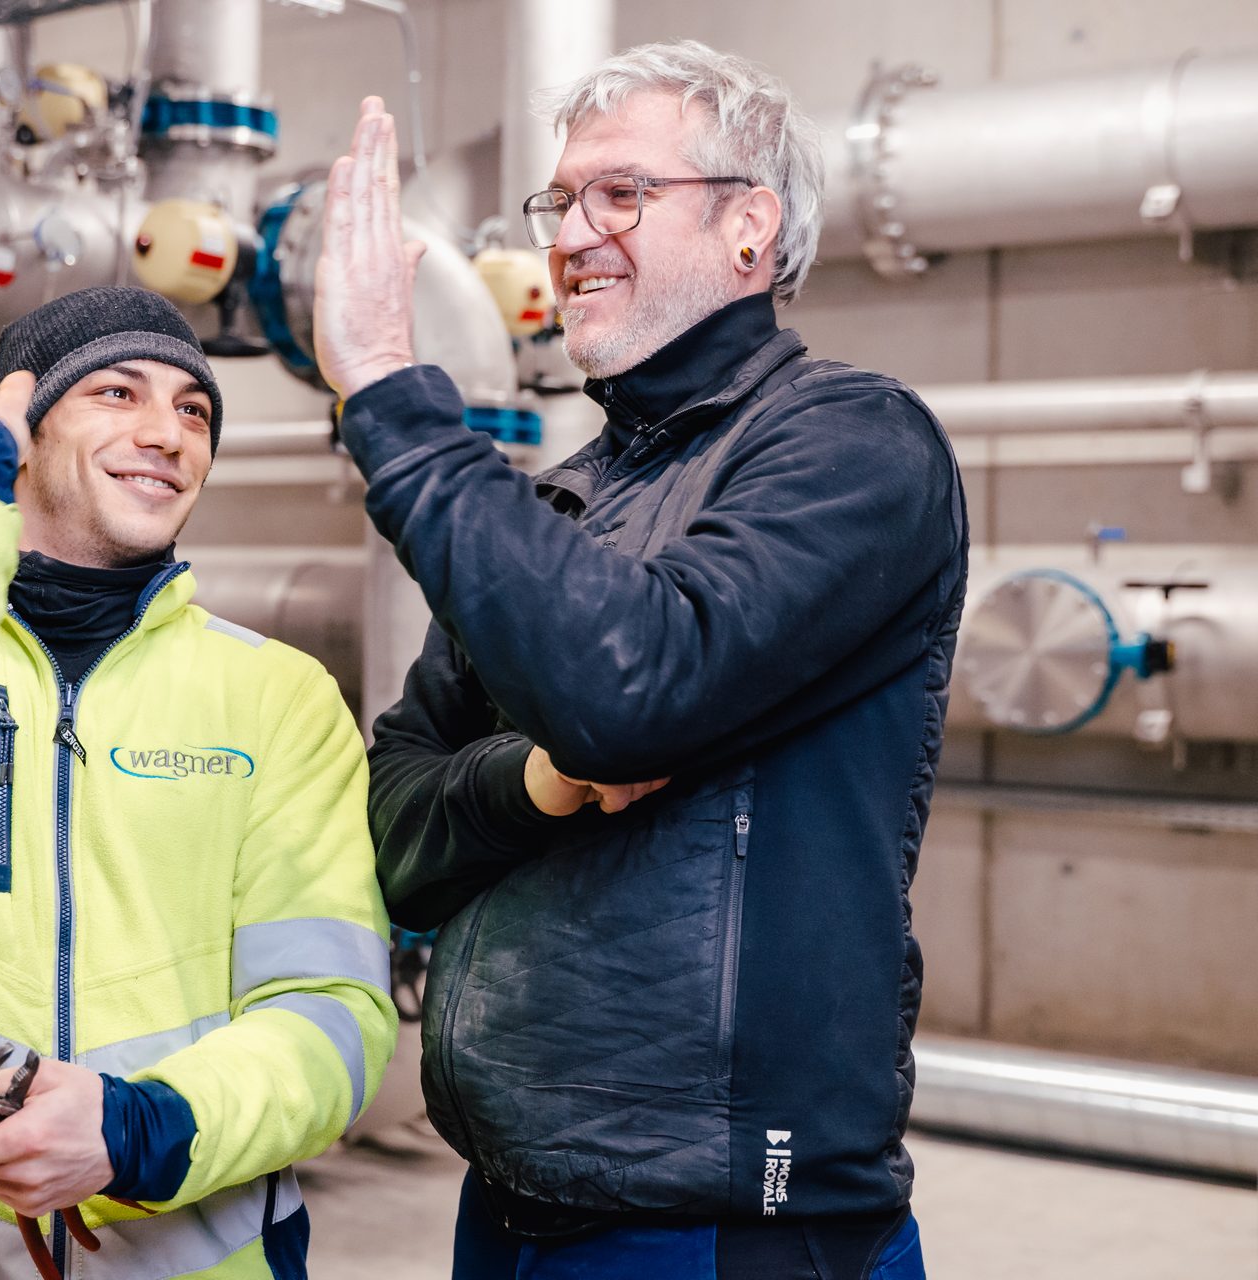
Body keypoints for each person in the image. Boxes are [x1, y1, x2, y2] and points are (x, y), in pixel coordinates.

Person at [312, 40, 965, 1280]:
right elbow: (393, 824)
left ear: (749, 228)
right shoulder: (559, 506)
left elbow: (629, 688)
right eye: (560, 203)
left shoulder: (852, 445)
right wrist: (533, 784)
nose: (570, 235)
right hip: (506, 1205)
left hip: (732, 1222)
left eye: (622, 194)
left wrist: (391, 399)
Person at [0, 266, 395, 1279]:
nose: (169, 432)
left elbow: (332, 1012)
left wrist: (142, 1128)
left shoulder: (278, 696)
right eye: (116, 392)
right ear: (27, 429)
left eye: (193, 408)